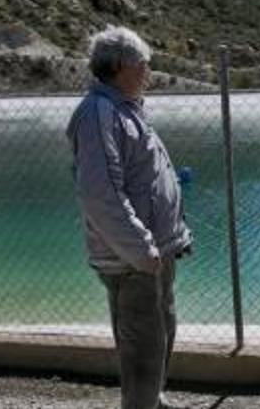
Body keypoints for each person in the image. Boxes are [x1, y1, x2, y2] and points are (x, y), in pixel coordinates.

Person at [67, 25, 192, 409]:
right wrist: (141, 248)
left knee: (160, 335)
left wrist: (173, 236)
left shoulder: (125, 109)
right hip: (134, 260)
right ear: (122, 65)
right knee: (142, 350)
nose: (149, 73)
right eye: (144, 65)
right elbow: (100, 193)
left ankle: (153, 399)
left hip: (153, 254)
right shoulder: (99, 113)